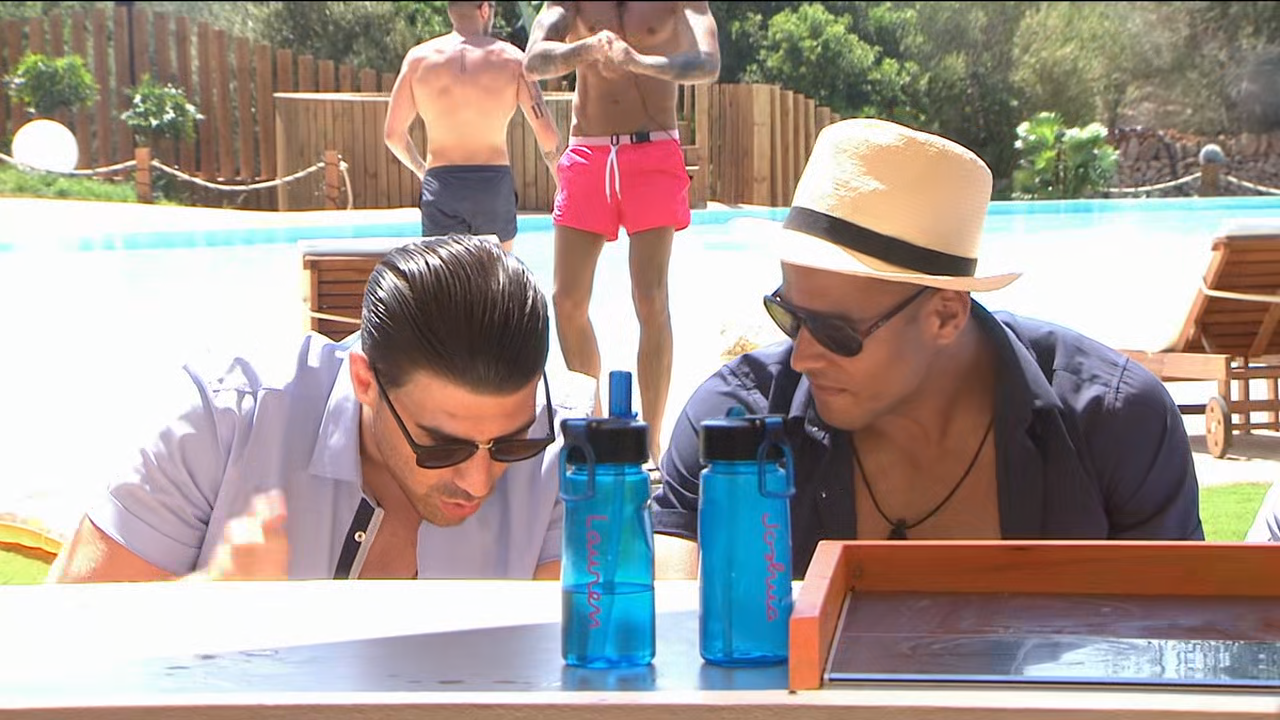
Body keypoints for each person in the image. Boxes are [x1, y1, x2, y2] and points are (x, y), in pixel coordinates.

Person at [651, 118, 1205, 579]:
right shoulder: (733, 425)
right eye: (790, 318)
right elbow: (667, 635)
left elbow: (1172, 641)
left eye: (837, 332)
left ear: (945, 314)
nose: (801, 357)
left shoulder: (1113, 423)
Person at [49, 234, 596, 583]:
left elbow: (578, 678)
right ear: (365, 380)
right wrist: (205, 609)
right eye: (441, 446)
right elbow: (67, 640)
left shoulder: (572, 454)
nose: (478, 481)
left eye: (512, 442)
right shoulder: (223, 423)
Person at [523, 1, 721, 463]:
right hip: (588, 152)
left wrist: (638, 61)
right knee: (567, 301)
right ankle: (594, 429)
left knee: (650, 297)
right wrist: (587, 49)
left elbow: (707, 64)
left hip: (652, 151)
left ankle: (650, 445)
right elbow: (533, 60)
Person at [384, 1, 564, 251]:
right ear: (484, 10)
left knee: (446, 275)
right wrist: (562, 184)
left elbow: (393, 135)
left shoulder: (418, 60)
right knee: (499, 274)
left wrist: (421, 170)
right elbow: (547, 134)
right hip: (493, 187)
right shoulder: (512, 59)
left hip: (442, 186)